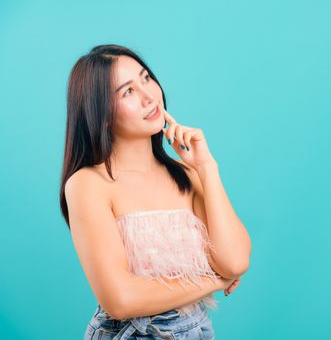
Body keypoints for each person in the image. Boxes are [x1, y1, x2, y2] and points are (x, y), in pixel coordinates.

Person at [58, 44, 252, 339]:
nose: (150, 96)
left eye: (146, 78)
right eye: (128, 92)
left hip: (197, 330)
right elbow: (120, 300)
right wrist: (214, 280)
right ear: (103, 113)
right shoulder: (88, 184)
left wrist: (207, 167)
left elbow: (235, 261)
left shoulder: (185, 174)